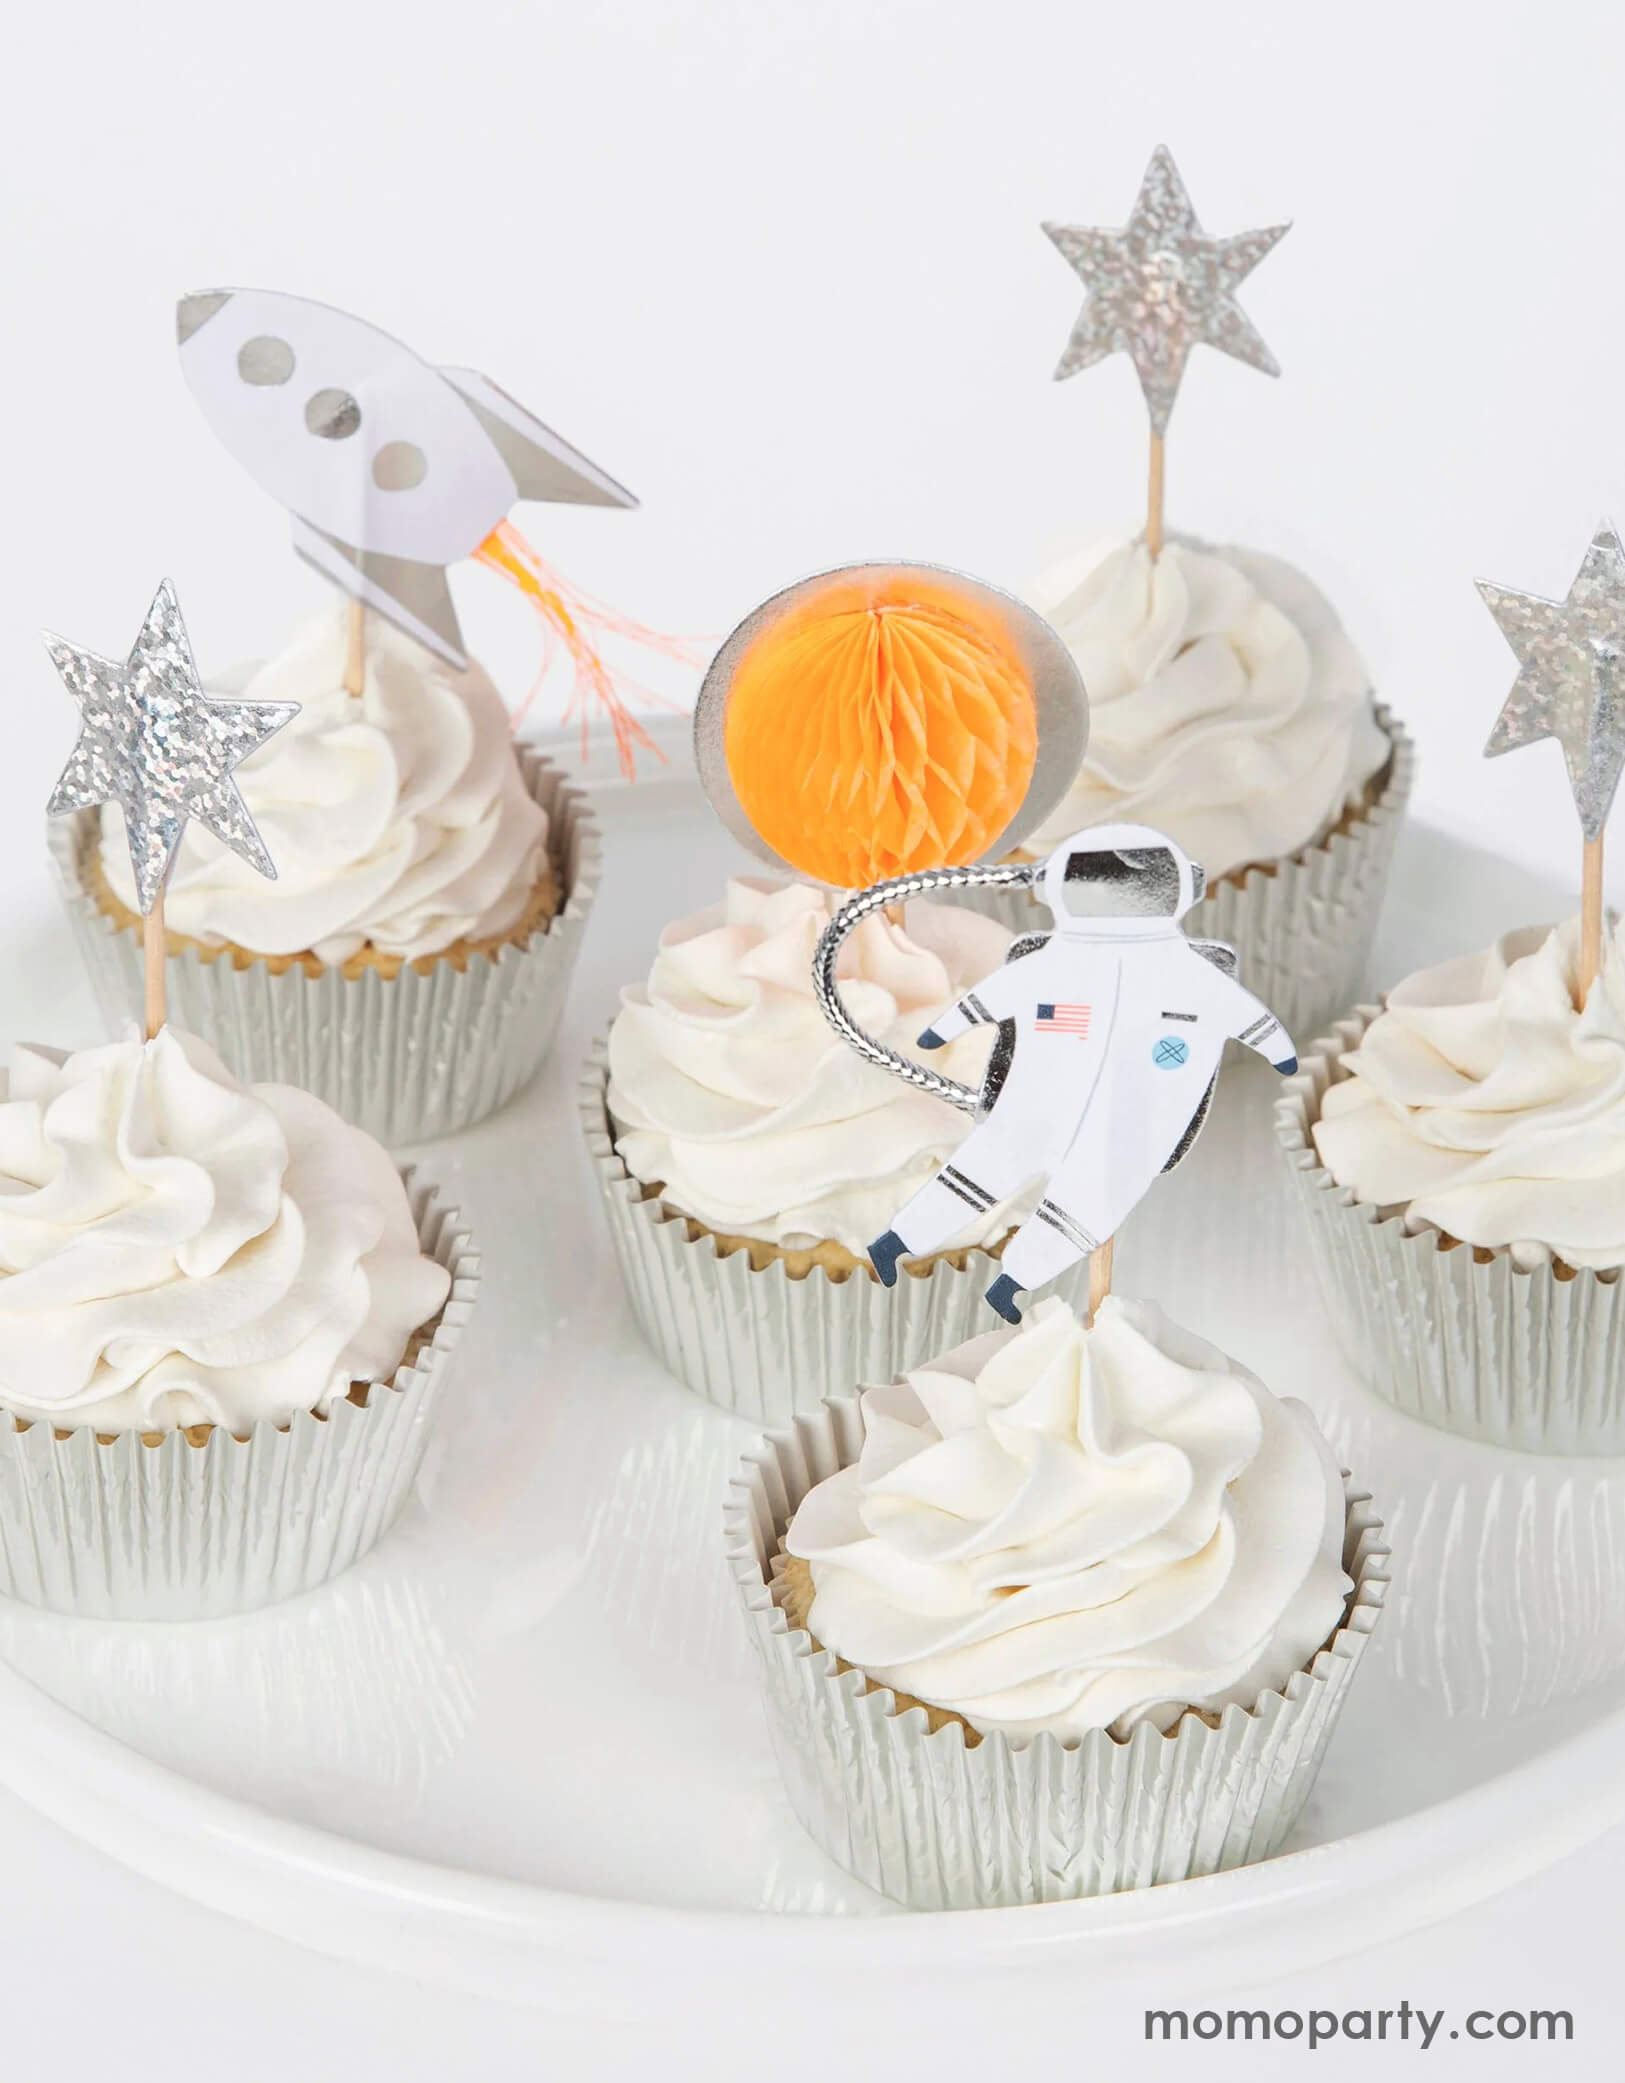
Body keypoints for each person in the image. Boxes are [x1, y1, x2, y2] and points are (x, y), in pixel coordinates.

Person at [868, 822, 1298, 1322]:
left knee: (1088, 1199)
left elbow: (1247, 1017)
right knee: (989, 1166)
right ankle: (899, 1242)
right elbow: (994, 997)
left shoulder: (1186, 971)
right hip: (1040, 1099)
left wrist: (1276, 1049)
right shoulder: (1055, 963)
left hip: (1131, 1118)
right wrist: (944, 1030)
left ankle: (1011, 1282)